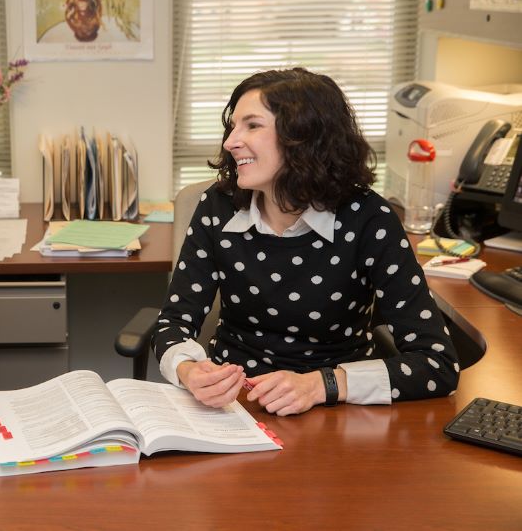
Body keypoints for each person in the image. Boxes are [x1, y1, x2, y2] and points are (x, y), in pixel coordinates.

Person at [153, 68, 459, 416]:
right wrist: (189, 371)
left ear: (304, 136)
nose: (231, 141)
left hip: (336, 408)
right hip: (235, 405)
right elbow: (172, 324)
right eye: (233, 126)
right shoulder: (218, 206)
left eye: (252, 125)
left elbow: (438, 364)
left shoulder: (369, 219)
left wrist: (322, 384)